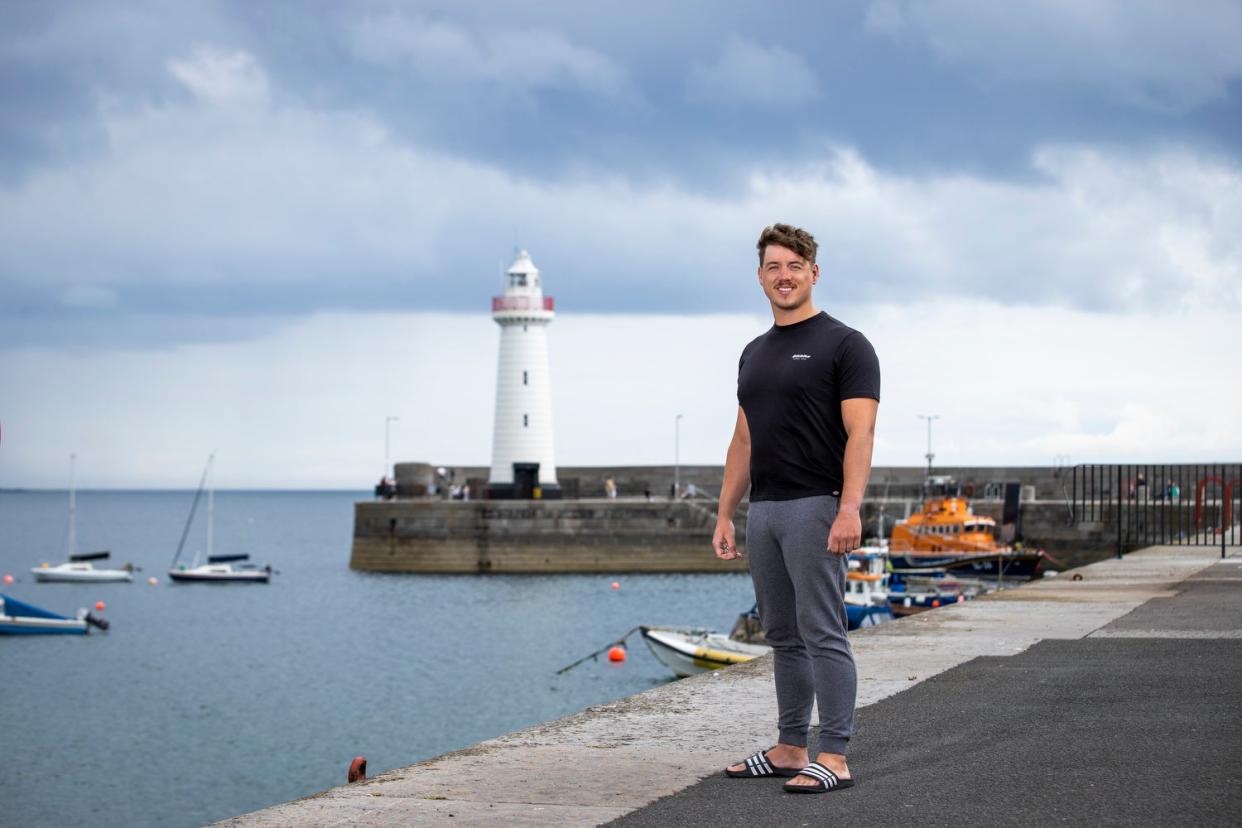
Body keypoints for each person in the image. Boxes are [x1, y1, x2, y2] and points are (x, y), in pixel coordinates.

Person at [716, 223, 880, 794]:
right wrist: (724, 514)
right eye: (772, 267)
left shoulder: (846, 345)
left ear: (814, 272)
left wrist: (849, 508)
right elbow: (744, 441)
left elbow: (861, 434)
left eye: (794, 265)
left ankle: (833, 755)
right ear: (760, 276)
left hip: (817, 505)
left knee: (823, 631)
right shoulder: (752, 352)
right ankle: (790, 748)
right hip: (765, 510)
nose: (783, 276)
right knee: (782, 635)